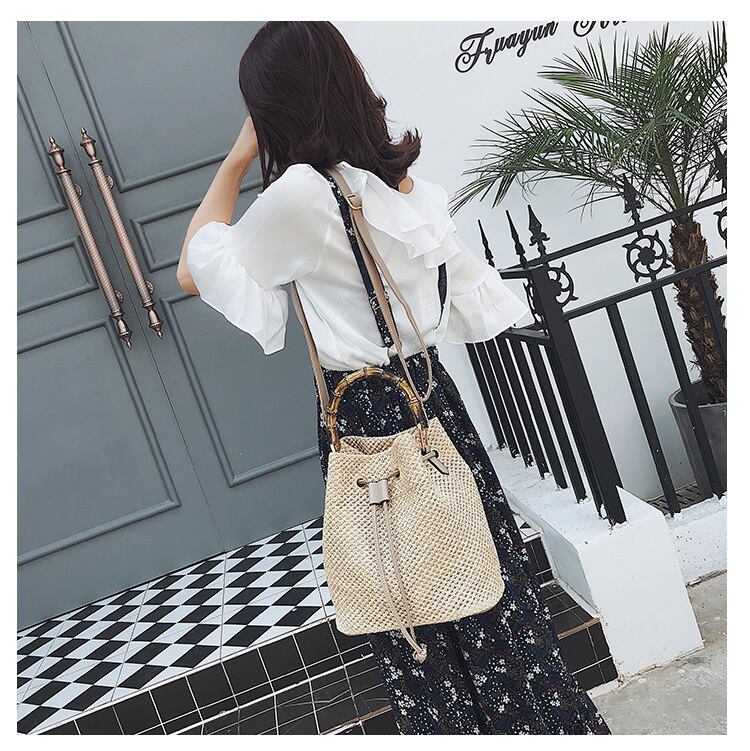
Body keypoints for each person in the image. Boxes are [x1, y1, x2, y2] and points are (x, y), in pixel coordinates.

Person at [177, 21, 610, 736]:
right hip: (435, 403)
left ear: (273, 104)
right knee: (486, 590)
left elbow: (195, 268)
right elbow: (471, 300)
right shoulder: (400, 184)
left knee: (409, 609)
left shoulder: (300, 198)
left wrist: (235, 159)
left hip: (365, 418)